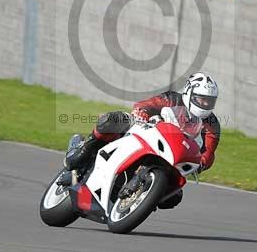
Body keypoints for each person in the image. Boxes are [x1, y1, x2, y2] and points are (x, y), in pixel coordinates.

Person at [58, 72, 221, 209]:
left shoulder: (212, 124)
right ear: (189, 93)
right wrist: (142, 112)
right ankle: (81, 151)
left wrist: (201, 163)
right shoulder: (172, 99)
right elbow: (147, 104)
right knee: (112, 120)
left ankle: (141, 199)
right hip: (148, 131)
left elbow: (209, 151)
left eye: (209, 101)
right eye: (202, 99)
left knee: (174, 196)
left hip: (172, 155)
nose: (205, 104)